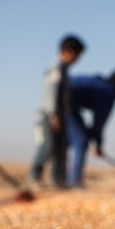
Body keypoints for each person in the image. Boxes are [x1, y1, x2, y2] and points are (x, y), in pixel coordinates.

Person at [65, 71, 115, 187]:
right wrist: (98, 144)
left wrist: (94, 138)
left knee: (67, 140)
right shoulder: (107, 92)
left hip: (64, 100)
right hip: (64, 101)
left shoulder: (102, 86)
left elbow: (95, 126)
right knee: (80, 140)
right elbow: (99, 122)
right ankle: (74, 181)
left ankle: (60, 176)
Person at [30, 35, 85, 188]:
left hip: (60, 115)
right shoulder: (56, 68)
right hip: (49, 114)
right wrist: (54, 113)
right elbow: (51, 92)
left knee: (61, 148)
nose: (77, 59)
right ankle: (34, 178)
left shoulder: (64, 70)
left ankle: (56, 180)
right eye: (77, 55)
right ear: (67, 51)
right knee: (48, 146)